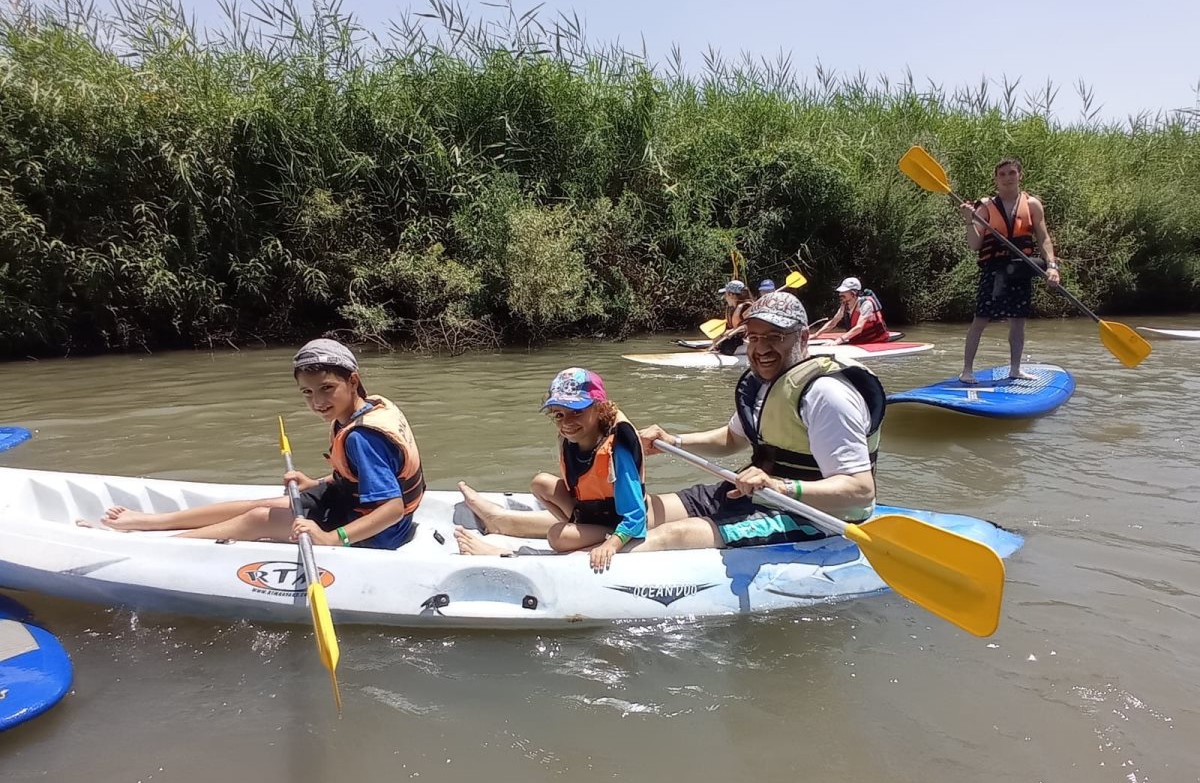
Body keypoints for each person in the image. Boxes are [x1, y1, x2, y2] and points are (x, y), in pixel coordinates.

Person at [78, 339, 425, 549]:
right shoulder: (363, 409)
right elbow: (362, 477)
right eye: (307, 392)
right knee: (268, 502)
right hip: (352, 503)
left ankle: (165, 547)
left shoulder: (362, 436)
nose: (317, 401)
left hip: (379, 532)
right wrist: (316, 483)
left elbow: (391, 507)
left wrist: (334, 539)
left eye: (326, 389)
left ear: (353, 381)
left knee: (259, 518)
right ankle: (151, 522)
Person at [635, 292, 886, 552]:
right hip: (762, 496)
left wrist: (779, 487)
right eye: (754, 338)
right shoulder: (767, 384)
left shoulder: (827, 395)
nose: (761, 348)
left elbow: (860, 490)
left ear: (802, 338)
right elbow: (732, 439)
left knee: (673, 535)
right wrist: (673, 440)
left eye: (774, 337)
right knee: (644, 511)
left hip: (818, 517)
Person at [455, 368, 647, 573]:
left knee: (557, 537)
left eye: (577, 412)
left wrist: (612, 543)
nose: (567, 423)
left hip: (617, 522)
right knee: (540, 482)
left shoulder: (616, 452)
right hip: (589, 513)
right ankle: (579, 529)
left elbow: (636, 515)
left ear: (599, 409)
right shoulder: (573, 442)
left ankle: (595, 534)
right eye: (559, 414)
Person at [959, 157, 1062, 383]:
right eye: (1002, 174)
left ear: (1020, 176)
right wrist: (969, 221)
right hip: (994, 270)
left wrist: (1052, 267)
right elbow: (975, 245)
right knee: (981, 320)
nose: (1007, 178)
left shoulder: (1032, 205)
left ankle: (1015, 369)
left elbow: (1044, 238)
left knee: (1018, 321)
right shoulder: (985, 206)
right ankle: (967, 370)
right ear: (996, 179)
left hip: (1020, 269)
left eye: (1012, 173)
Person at [812, 277, 890, 344]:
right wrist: (816, 335)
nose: (840, 294)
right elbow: (833, 323)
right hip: (859, 340)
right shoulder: (845, 305)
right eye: (840, 292)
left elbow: (859, 327)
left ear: (853, 293)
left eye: (843, 292)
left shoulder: (866, 304)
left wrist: (838, 341)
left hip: (876, 341)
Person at [708, 279, 754, 355]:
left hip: (749, 341)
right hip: (739, 339)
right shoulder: (732, 308)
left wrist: (733, 331)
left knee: (727, 349)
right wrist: (719, 336)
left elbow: (749, 324)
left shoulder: (747, 307)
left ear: (732, 295)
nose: (724, 297)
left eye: (725, 294)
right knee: (723, 346)